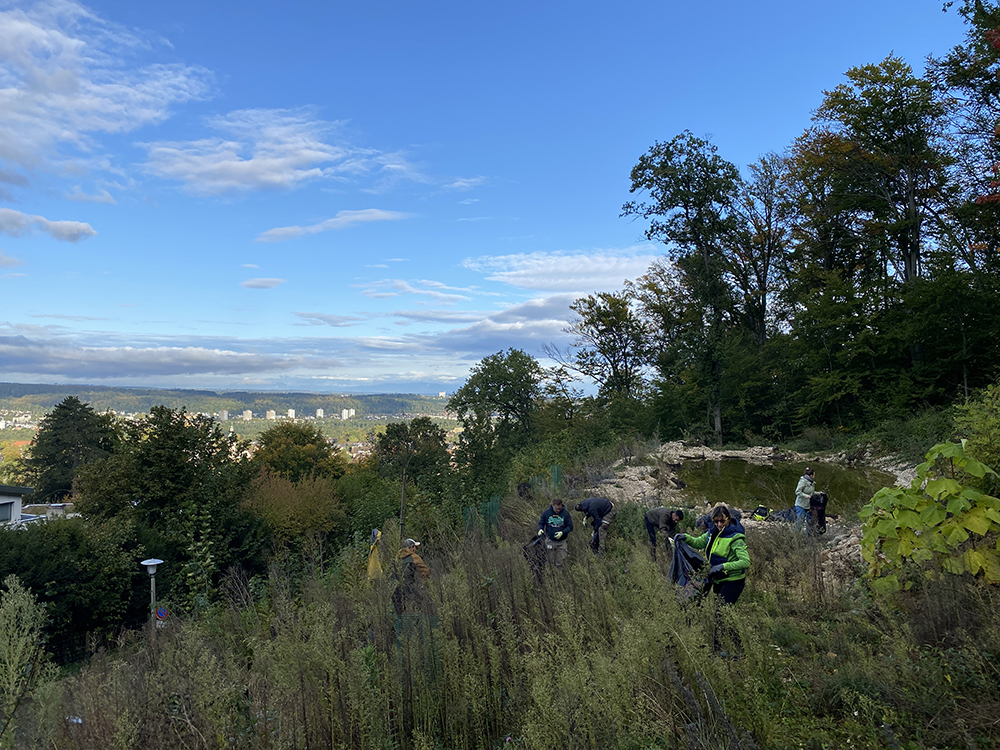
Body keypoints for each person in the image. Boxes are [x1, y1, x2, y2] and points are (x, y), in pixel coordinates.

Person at [676, 504, 750, 655]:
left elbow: (745, 561)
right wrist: (685, 537)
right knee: (721, 614)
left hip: (733, 581)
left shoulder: (735, 537)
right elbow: (700, 542)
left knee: (722, 614)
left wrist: (723, 566)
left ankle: (737, 650)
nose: (719, 524)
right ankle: (719, 648)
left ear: (728, 519)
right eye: (716, 521)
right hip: (718, 580)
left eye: (722, 521)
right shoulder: (713, 532)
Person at [393, 538, 430, 613]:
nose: (415, 549)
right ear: (411, 548)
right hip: (408, 586)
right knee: (421, 603)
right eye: (415, 547)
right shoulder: (414, 557)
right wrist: (425, 583)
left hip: (395, 589)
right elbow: (425, 571)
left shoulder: (397, 558)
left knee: (401, 614)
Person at [537, 499, 574, 568]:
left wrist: (562, 532)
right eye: (556, 508)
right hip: (550, 541)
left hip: (562, 542)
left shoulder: (565, 513)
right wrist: (540, 529)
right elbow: (541, 523)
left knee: (560, 561)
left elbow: (570, 526)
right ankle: (550, 576)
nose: (558, 510)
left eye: (559, 508)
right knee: (550, 561)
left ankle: (559, 576)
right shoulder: (546, 513)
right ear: (552, 506)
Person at [794, 467, 817, 533]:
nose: (814, 476)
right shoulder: (803, 481)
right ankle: (796, 536)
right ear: (811, 475)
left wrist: (819, 493)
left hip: (808, 505)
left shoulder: (812, 482)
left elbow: (811, 493)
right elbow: (797, 492)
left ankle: (808, 536)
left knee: (810, 521)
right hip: (801, 505)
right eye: (814, 475)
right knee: (800, 522)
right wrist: (806, 496)